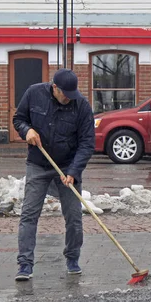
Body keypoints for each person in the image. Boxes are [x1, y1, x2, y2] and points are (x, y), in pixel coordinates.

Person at [12, 68, 95, 281]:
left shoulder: (81, 106)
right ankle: (25, 265)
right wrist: (26, 130)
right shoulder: (34, 93)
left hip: (68, 165)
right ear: (54, 87)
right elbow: (19, 119)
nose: (68, 97)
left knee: (74, 217)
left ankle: (73, 258)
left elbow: (87, 143)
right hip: (38, 163)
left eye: (72, 93)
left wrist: (74, 172)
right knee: (29, 214)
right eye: (65, 93)